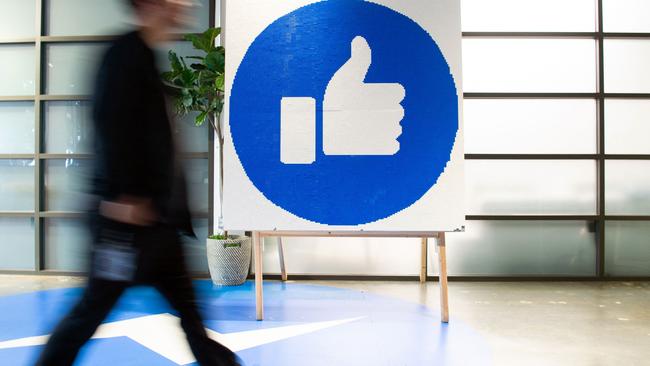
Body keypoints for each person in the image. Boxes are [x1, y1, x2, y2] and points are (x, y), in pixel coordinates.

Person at [35, 1, 242, 365]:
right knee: (89, 314)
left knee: (192, 319)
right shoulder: (123, 56)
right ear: (149, 6)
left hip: (157, 226)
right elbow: (109, 125)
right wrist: (121, 197)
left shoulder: (145, 56)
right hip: (125, 228)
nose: (183, 8)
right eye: (172, 3)